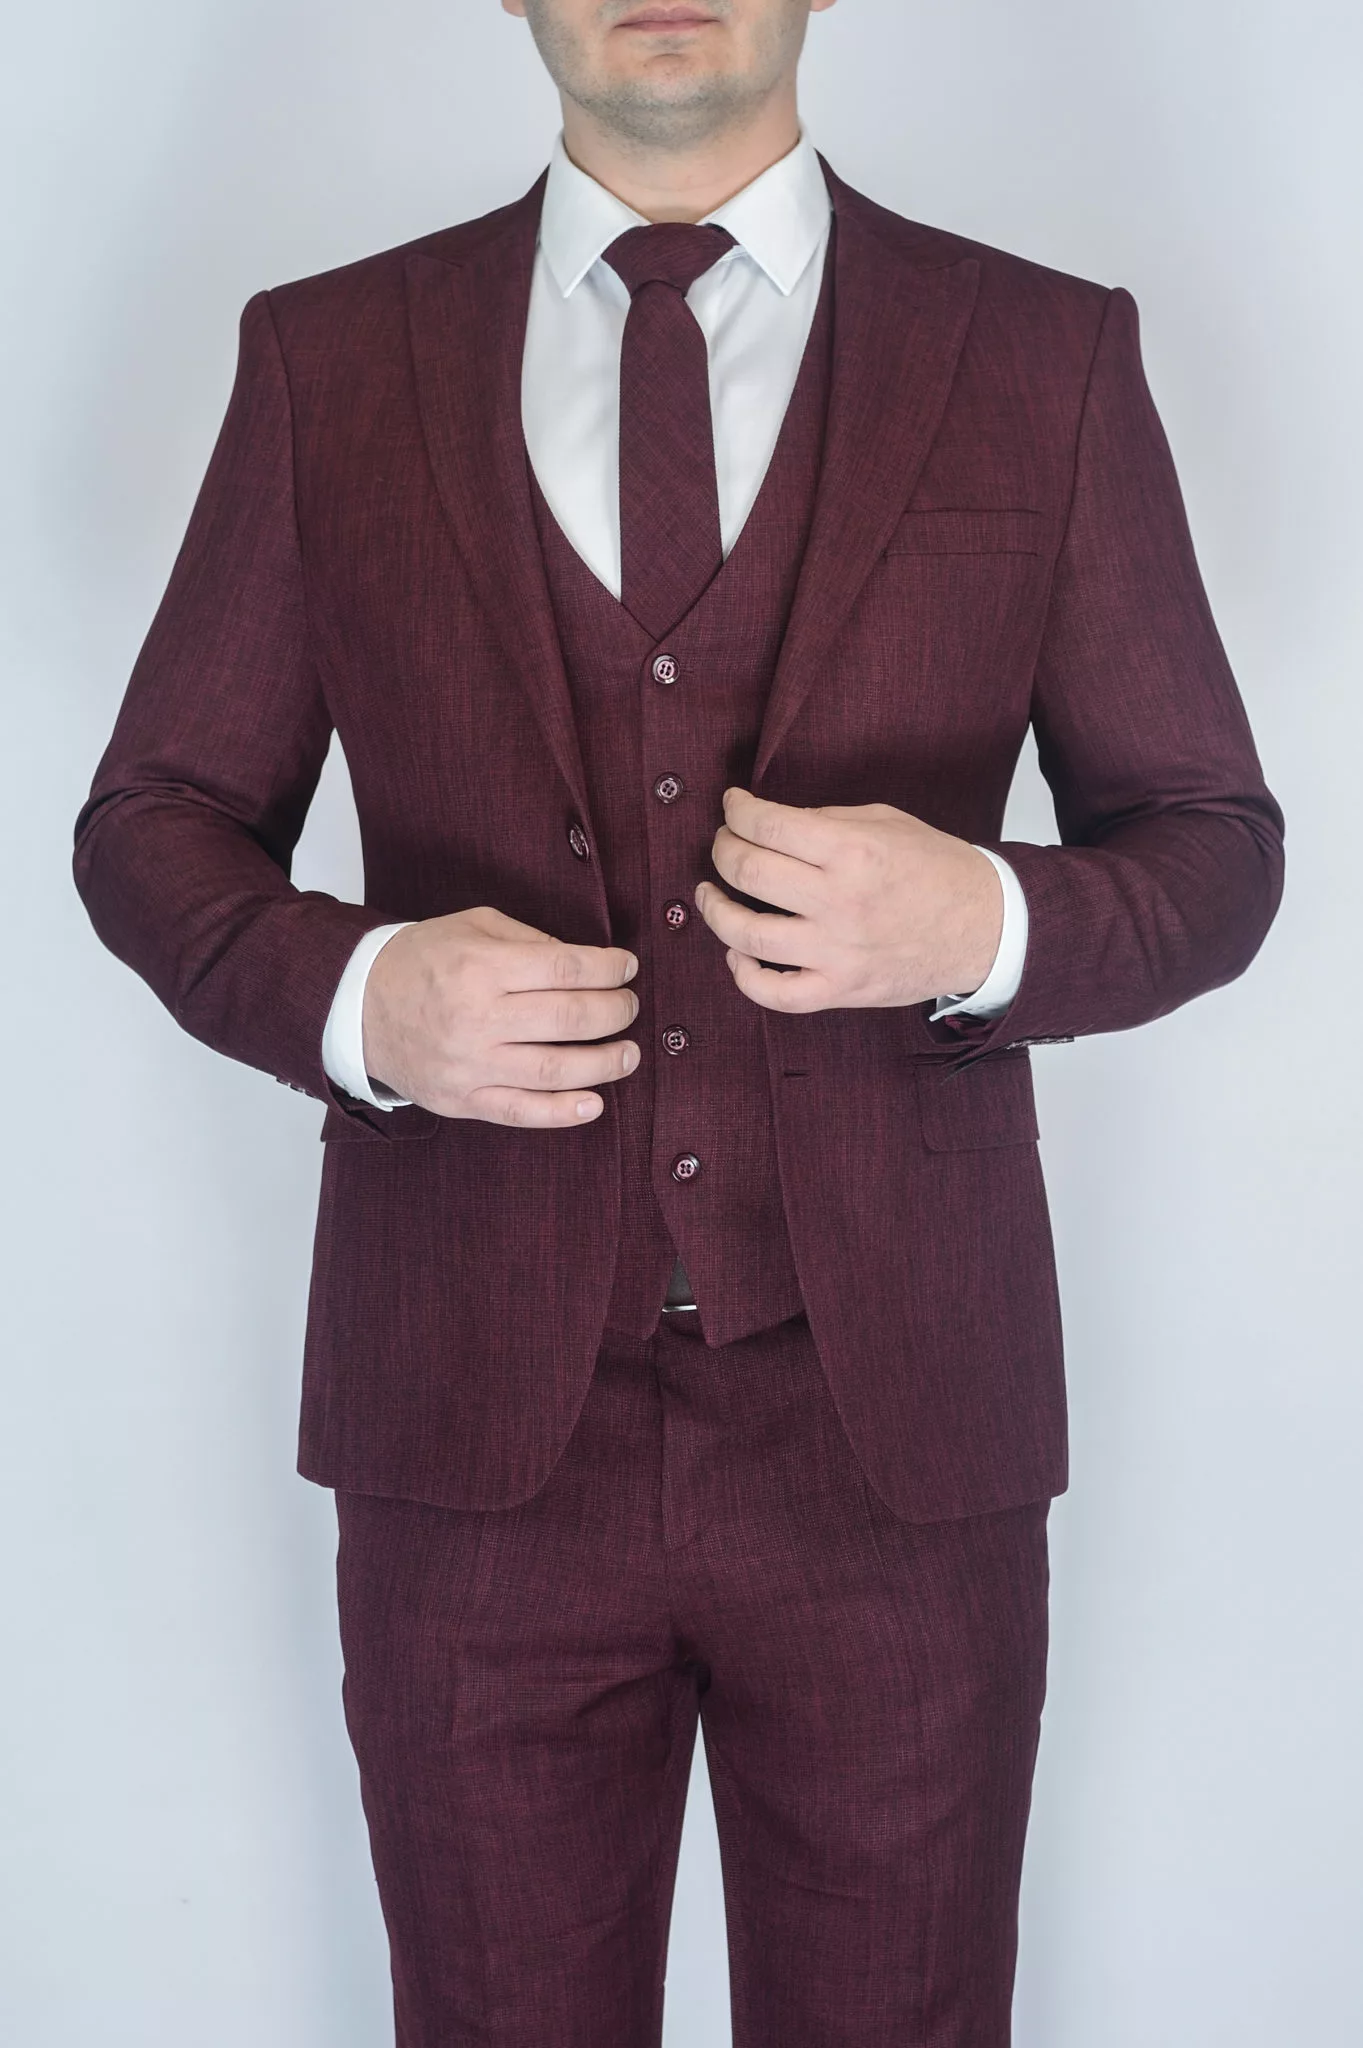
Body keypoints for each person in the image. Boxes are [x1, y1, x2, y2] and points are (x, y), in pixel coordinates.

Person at [71, 1, 1286, 2041]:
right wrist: (364, 995)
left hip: (900, 1432)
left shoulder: (1039, 353)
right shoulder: (328, 358)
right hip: (468, 1430)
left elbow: (1211, 847)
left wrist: (979, 913)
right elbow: (154, 823)